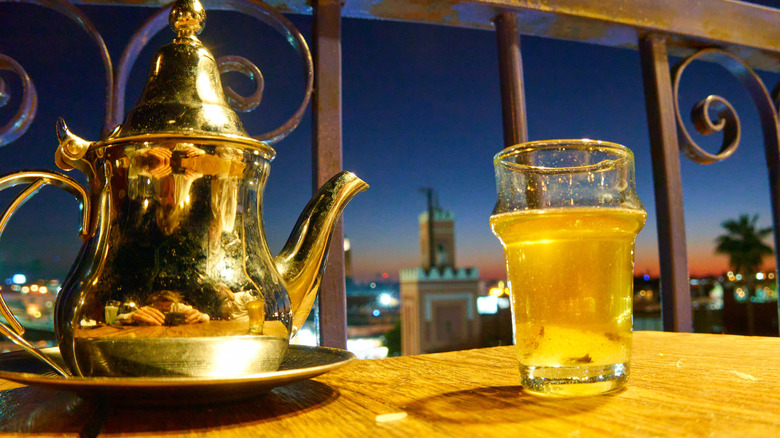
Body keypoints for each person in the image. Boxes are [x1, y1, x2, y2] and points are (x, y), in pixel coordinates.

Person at [117, 290, 210, 325]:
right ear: (154, 304)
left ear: (172, 304)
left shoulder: (178, 307)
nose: (164, 309)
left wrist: (201, 317)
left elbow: (205, 316)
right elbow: (119, 317)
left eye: (167, 306)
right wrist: (133, 316)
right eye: (159, 306)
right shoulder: (149, 310)